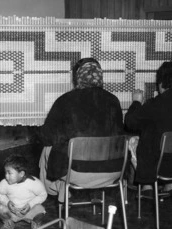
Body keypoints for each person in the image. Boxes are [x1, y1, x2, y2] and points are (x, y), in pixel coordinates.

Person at [37, 58, 125, 202]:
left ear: (78, 78)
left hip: (77, 172)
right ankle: (84, 192)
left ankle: (61, 193)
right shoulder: (113, 101)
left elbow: (47, 136)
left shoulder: (66, 100)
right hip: (113, 171)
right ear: (100, 77)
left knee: (48, 149)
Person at [124, 60, 172, 197]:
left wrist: (136, 102)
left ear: (161, 83)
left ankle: (147, 186)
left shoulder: (156, 103)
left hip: (158, 166)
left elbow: (130, 123)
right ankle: (170, 185)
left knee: (138, 137)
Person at [0, 154, 47, 229]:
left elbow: (43, 194)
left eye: (9, 173)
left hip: (30, 212)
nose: (6, 176)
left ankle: (35, 223)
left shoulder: (34, 183)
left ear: (21, 174)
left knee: (41, 210)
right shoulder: (4, 183)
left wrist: (30, 204)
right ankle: (9, 223)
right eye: (5, 172)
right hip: (12, 212)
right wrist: (7, 202)